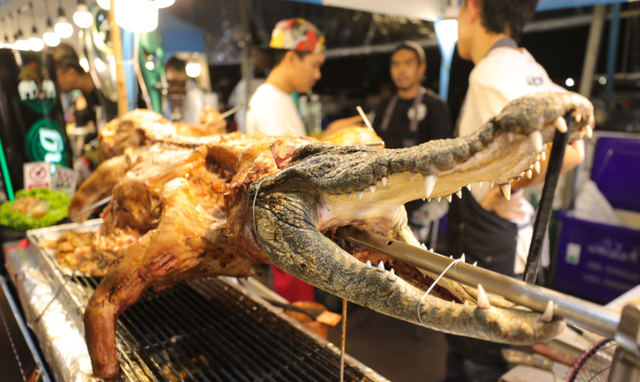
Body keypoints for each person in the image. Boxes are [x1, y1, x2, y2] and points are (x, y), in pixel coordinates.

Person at [444, 1, 586, 381]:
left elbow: (569, 150)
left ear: (472, 8)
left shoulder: (490, 74)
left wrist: (500, 193)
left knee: (479, 360)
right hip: (516, 245)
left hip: (491, 246)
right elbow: (570, 138)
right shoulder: (528, 64)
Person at [371, 41, 453, 244]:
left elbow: (444, 160)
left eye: (408, 63)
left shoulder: (435, 107)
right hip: (385, 197)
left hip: (421, 198)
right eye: (396, 64)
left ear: (421, 68)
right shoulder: (385, 106)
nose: (401, 70)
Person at [245, 18, 325, 137]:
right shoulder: (271, 100)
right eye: (314, 65)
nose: (318, 75)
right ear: (291, 58)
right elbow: (283, 153)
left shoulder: (280, 97)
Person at [53, 44, 118, 128]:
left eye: (56, 77)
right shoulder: (87, 93)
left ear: (72, 74)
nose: (55, 83)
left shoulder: (106, 88)